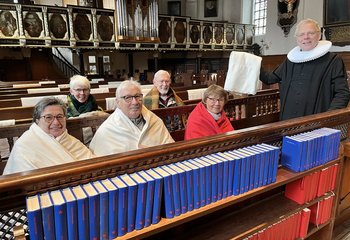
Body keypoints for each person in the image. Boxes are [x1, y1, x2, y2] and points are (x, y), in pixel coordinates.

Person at [260, 18, 350, 121]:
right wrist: (252, 62)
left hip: (317, 122)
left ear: (319, 35)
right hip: (287, 121)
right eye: (301, 34)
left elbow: (342, 93)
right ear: (297, 38)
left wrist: (328, 119)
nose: (306, 37)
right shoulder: (291, 60)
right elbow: (269, 78)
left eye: (311, 33)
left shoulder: (333, 61)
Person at [3, 97, 95, 175]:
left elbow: (94, 166)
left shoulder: (72, 142)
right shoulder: (24, 145)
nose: (56, 122)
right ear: (37, 120)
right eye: (48, 117)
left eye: (59, 116)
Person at [89, 80, 174, 156]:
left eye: (138, 96)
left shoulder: (155, 121)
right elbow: (100, 165)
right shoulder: (107, 129)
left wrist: (153, 153)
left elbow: (171, 149)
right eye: (128, 98)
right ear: (118, 102)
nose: (135, 102)